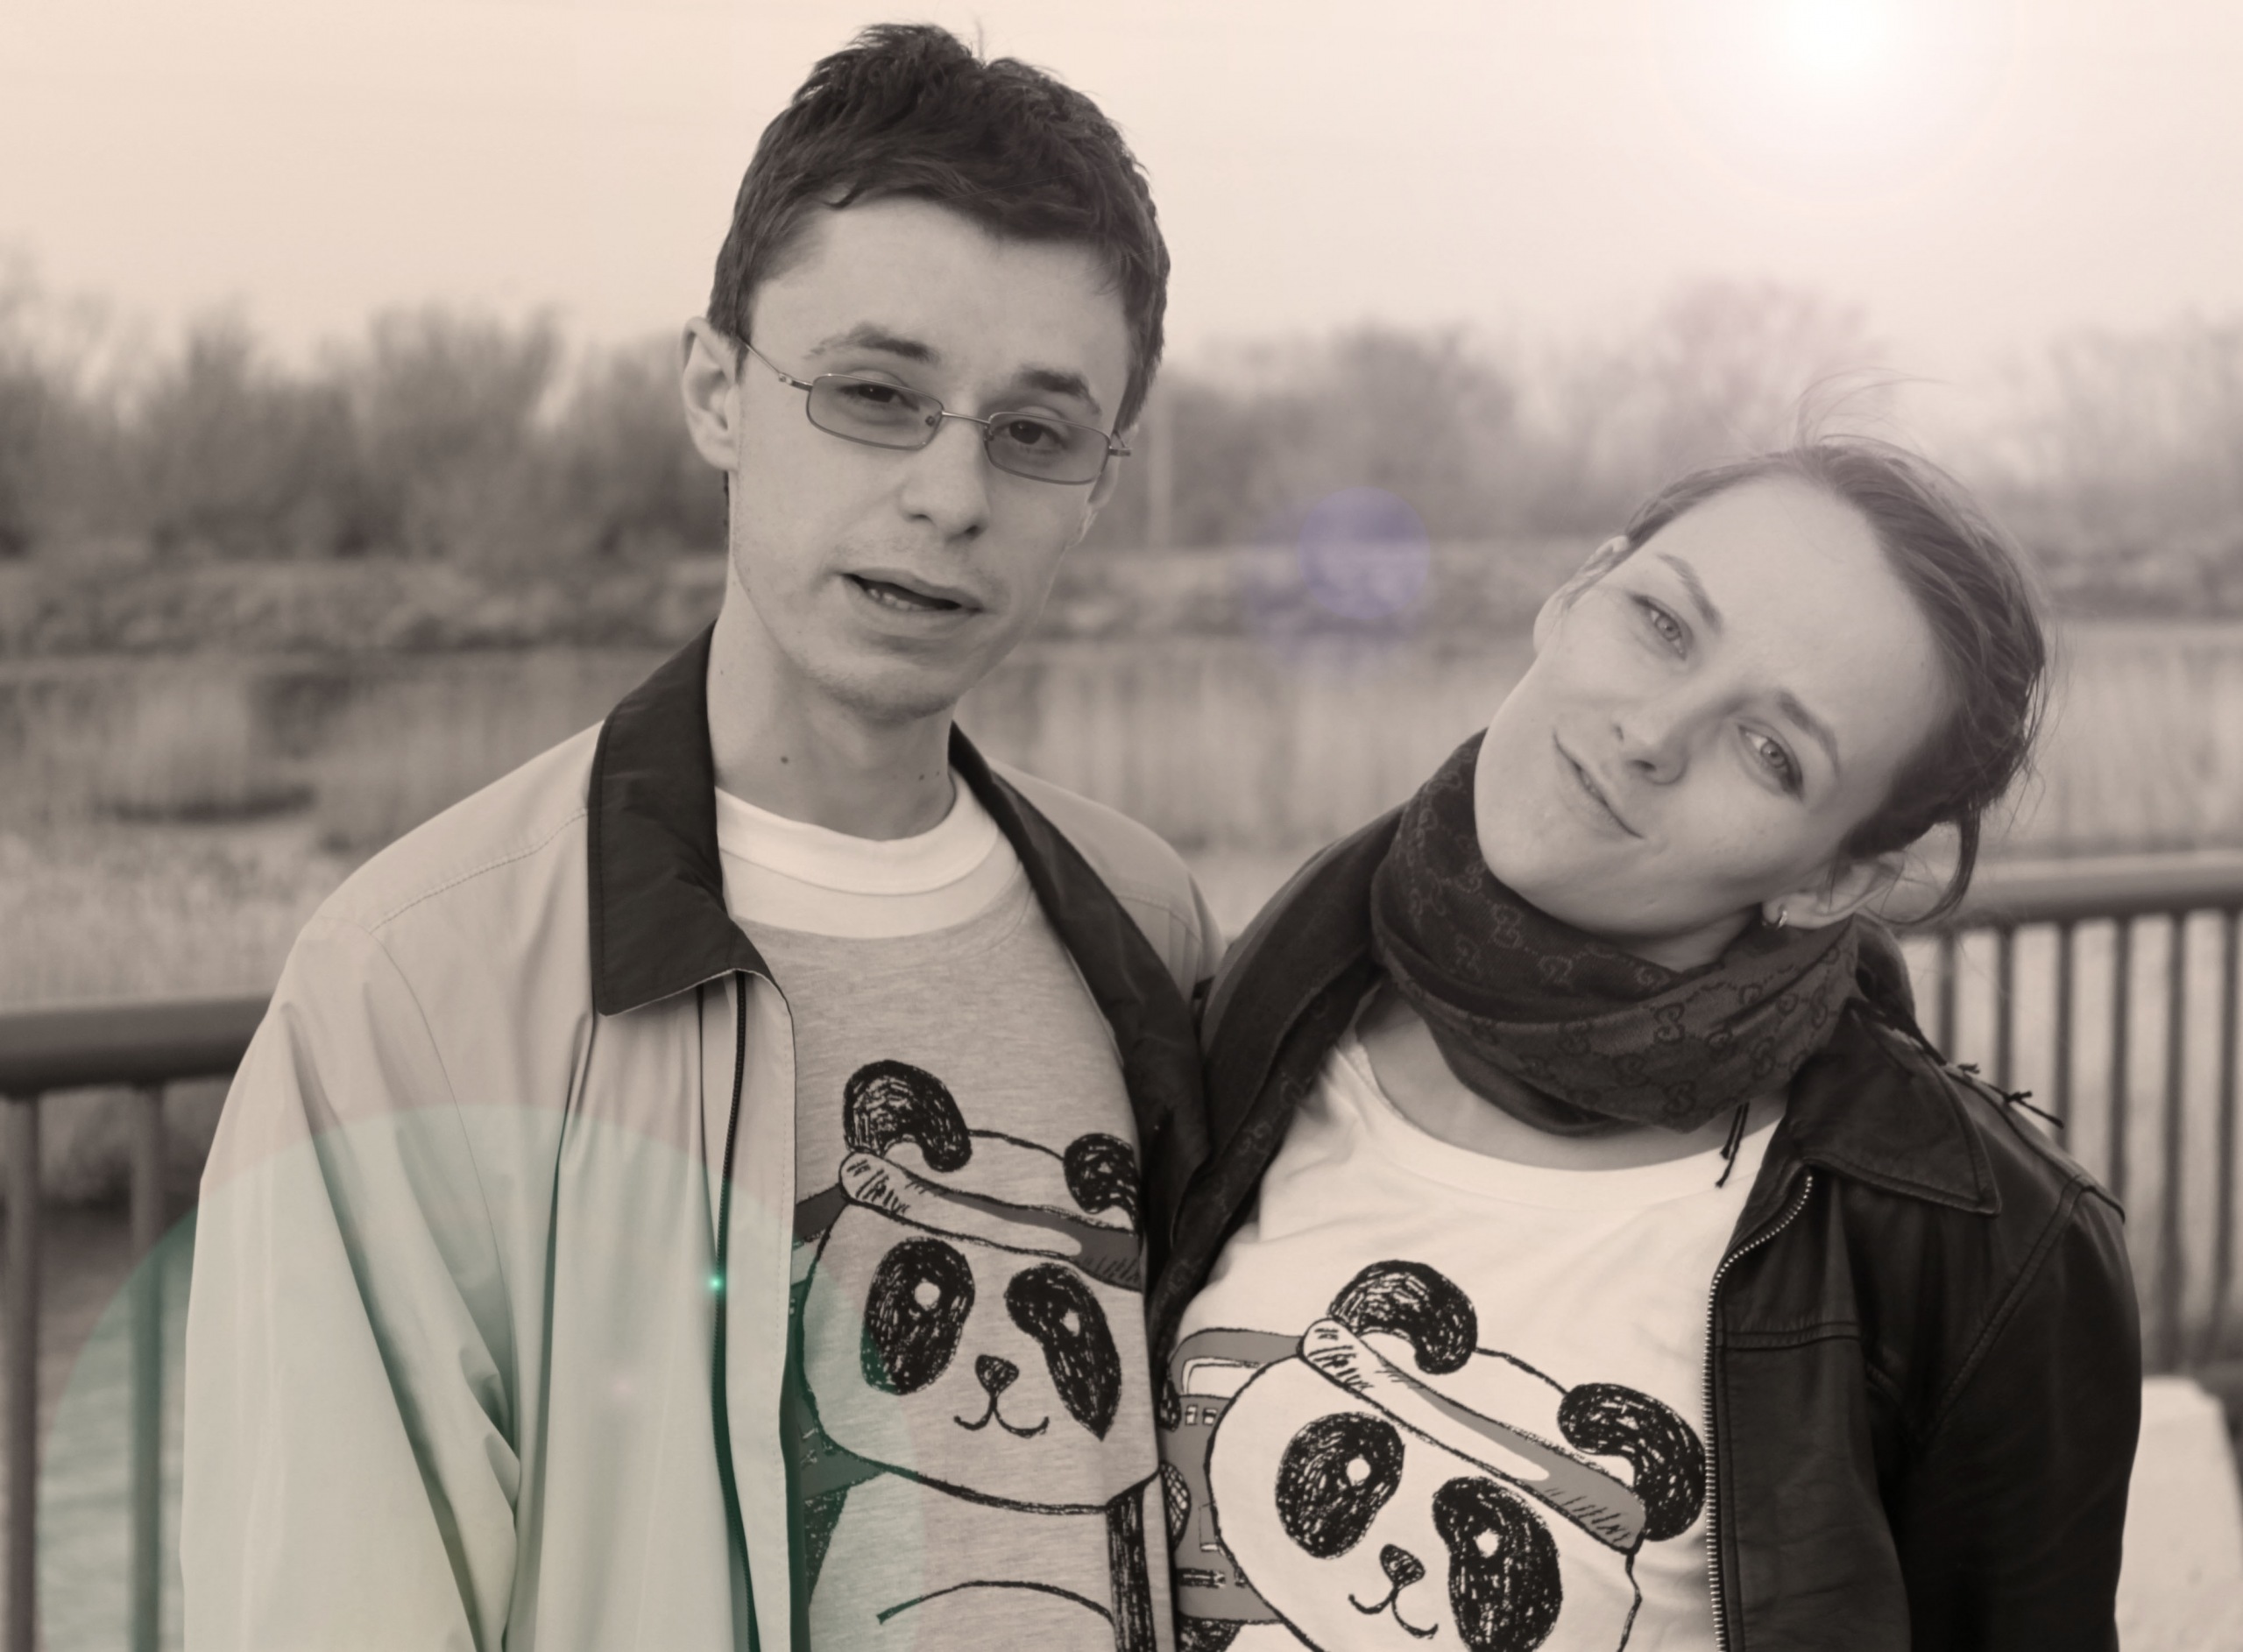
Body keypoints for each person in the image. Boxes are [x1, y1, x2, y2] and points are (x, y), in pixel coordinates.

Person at [182, 25, 1219, 1652]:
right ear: (719, 391)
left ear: (1097, 487)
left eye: (1034, 431)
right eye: (875, 396)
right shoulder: (416, 985)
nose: (953, 493)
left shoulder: (1143, 925)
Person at [1149, 441, 2140, 1651]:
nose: (1652, 734)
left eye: (1773, 752)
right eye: (1663, 624)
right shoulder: (1265, 997)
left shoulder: (1984, 1247)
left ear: (1836, 879)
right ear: (1577, 590)